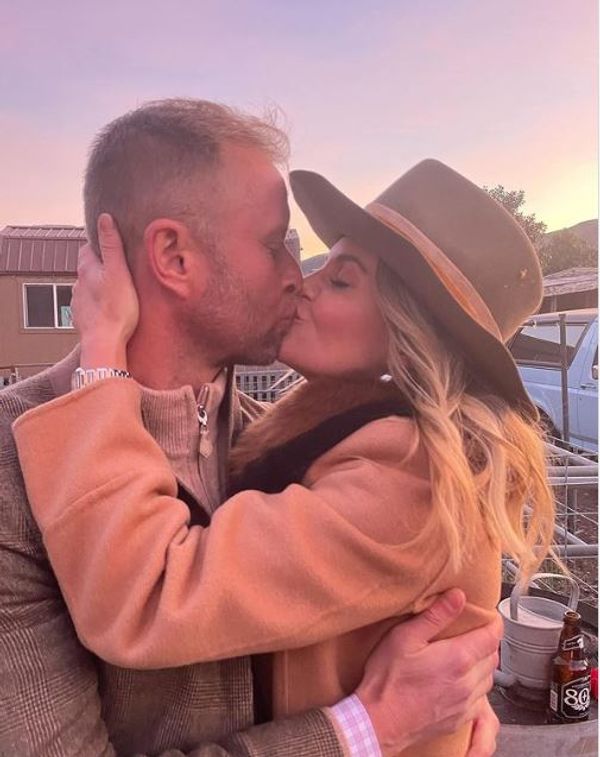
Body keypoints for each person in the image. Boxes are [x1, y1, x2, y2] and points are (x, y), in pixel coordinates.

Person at [0, 100, 501, 756]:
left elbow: (421, 608)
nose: (298, 278)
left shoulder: (319, 454)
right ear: (174, 256)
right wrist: (367, 729)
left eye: (337, 277)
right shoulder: (14, 471)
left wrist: (451, 717)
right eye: (273, 246)